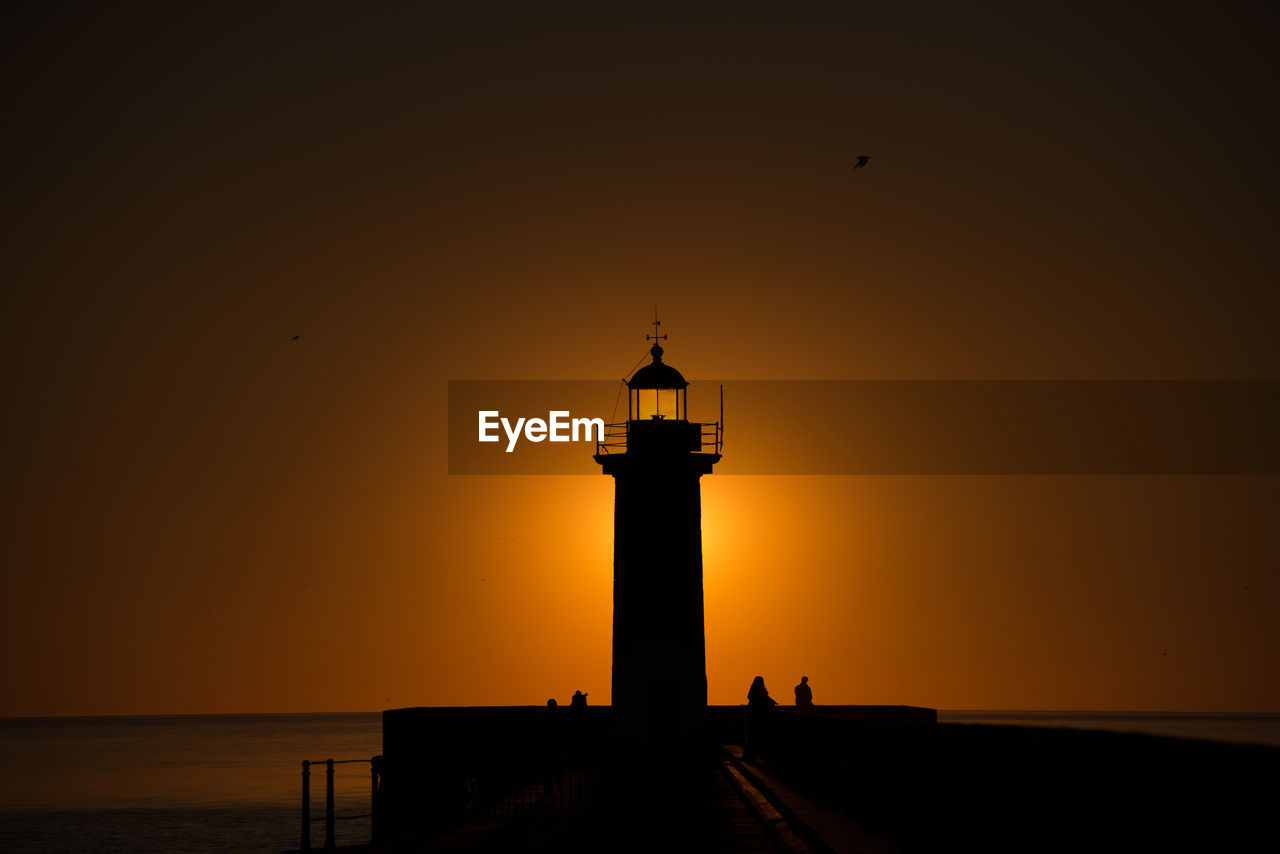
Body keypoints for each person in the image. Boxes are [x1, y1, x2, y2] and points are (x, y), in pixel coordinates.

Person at [743, 676, 776, 762]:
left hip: (750, 715)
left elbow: (750, 696)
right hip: (756, 716)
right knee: (754, 737)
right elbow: (765, 698)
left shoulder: (753, 689)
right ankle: (752, 756)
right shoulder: (761, 691)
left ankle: (748, 755)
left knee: (750, 736)